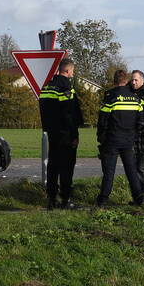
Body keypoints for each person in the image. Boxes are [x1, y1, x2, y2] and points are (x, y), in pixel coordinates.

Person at [95, 69, 144, 207]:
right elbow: (141, 122)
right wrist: (134, 135)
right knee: (131, 171)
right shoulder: (135, 99)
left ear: (114, 81)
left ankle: (103, 200)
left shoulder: (110, 98)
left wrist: (101, 137)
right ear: (127, 81)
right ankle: (139, 198)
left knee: (109, 172)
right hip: (128, 140)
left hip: (112, 140)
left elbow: (102, 121)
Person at [39, 58, 84, 209]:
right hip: (65, 134)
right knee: (66, 167)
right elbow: (69, 115)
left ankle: (52, 199)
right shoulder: (66, 88)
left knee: (53, 165)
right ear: (68, 71)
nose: (73, 73)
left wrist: (47, 128)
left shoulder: (46, 88)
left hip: (52, 132)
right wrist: (74, 135)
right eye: (72, 70)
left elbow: (43, 111)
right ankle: (66, 199)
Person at [129, 70, 144, 200]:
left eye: (136, 80)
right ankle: (137, 195)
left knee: (141, 166)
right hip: (131, 134)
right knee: (132, 166)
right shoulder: (128, 93)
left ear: (142, 80)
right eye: (132, 80)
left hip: (143, 135)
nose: (133, 82)